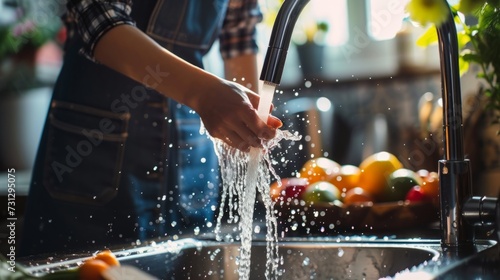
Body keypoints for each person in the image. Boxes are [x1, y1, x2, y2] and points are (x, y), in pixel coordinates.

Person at [19, 0, 282, 257]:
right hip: (94, 144)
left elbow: (239, 34)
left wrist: (248, 120)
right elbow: (100, 16)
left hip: (190, 145)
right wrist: (203, 95)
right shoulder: (203, 96)